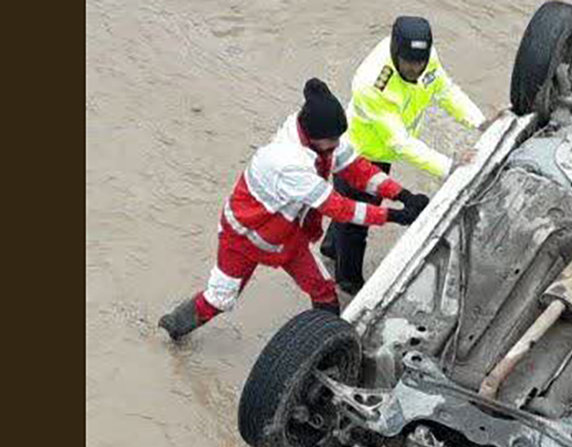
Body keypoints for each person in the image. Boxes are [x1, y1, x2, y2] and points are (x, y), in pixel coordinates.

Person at [158, 78, 429, 341]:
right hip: (242, 238)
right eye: (333, 140)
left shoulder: (323, 136)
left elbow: (356, 168)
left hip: (287, 236)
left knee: (324, 290)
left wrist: (401, 193)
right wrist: (395, 216)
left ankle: (324, 348)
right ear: (313, 137)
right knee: (220, 299)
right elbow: (339, 208)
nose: (337, 144)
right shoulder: (288, 163)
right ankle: (175, 327)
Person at [320, 15, 485, 295]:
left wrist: (480, 122)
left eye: (420, 62)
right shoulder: (373, 85)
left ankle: (330, 248)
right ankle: (349, 283)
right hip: (357, 156)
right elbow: (401, 142)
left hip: (381, 152)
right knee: (358, 223)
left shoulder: (427, 58)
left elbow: (445, 91)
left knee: (350, 213)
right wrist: (448, 166)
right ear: (396, 52)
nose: (415, 69)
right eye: (409, 62)